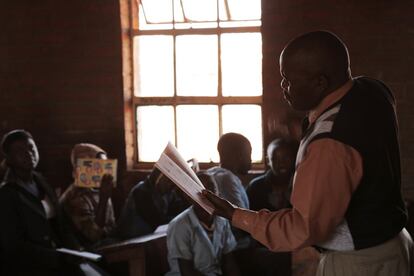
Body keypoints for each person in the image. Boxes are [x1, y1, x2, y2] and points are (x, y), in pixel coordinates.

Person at [203, 30, 413, 275]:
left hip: (359, 262)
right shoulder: (374, 91)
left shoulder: (328, 143)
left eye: (289, 80)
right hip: (396, 244)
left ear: (320, 82)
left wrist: (234, 214)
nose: (283, 87)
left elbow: (302, 228)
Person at [0, 130, 107, 275]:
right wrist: (56, 256)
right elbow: (14, 245)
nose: (29, 153)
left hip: (59, 257)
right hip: (32, 266)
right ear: (9, 158)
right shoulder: (7, 194)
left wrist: (76, 249)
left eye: (31, 148)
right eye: (20, 151)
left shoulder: (41, 181)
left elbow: (62, 223)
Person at [166, 172, 240, 276]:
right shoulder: (180, 225)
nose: (207, 194)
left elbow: (229, 262)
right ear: (189, 196)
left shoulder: (222, 221)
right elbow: (187, 271)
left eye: (211, 188)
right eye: (199, 190)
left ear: (219, 194)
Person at [60, 143, 116, 248]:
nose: (104, 172)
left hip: (104, 245)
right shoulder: (75, 197)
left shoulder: (99, 190)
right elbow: (93, 236)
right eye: (98, 166)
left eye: (106, 165)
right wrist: (104, 199)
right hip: (84, 252)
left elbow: (111, 227)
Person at [115, 166, 189, 239]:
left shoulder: (169, 192)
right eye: (169, 181)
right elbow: (156, 221)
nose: (171, 187)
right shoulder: (140, 191)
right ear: (159, 176)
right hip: (129, 240)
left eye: (174, 184)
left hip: (147, 239)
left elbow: (178, 211)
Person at [247, 138, 298, 211]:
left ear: (294, 159)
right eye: (276, 159)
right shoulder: (256, 187)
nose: (282, 162)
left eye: (286, 157)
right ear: (268, 161)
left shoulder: (300, 185)